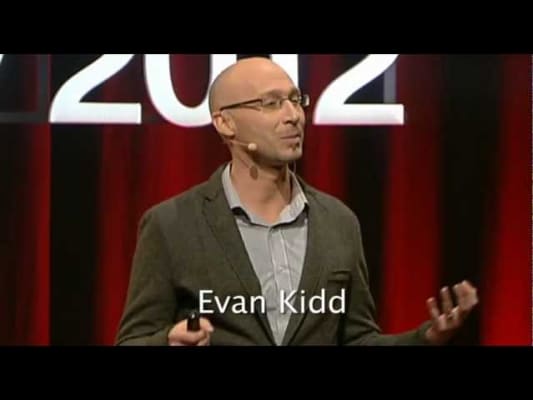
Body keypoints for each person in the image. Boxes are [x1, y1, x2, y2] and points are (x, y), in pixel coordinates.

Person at [115, 57, 478, 346]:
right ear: (225, 123)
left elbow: (357, 338)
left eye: (295, 99)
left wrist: (428, 337)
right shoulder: (171, 224)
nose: (293, 116)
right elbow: (133, 339)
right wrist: (168, 341)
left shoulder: (338, 221)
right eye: (271, 103)